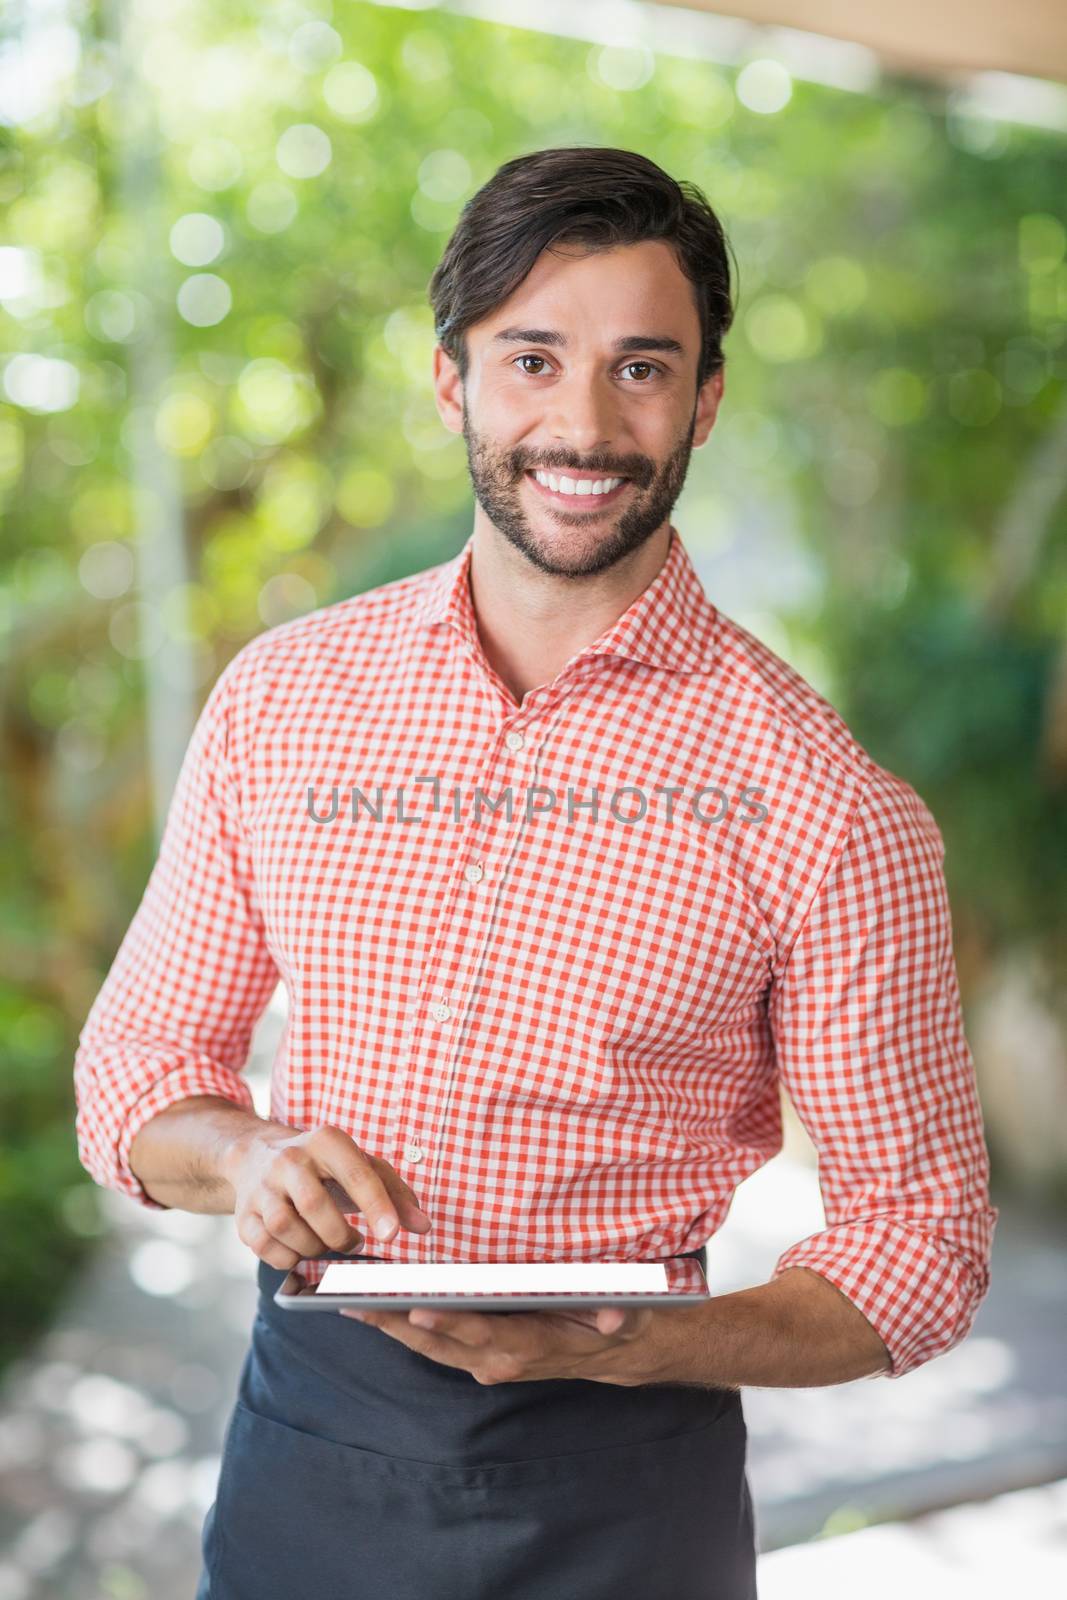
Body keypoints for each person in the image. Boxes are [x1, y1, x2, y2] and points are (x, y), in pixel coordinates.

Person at [73, 145, 998, 1600]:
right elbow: (136, 1066)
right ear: (453, 384)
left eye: (641, 368)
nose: (584, 423)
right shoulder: (285, 699)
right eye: (533, 359)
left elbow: (921, 1246)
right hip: (304, 1457)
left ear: (705, 400)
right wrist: (247, 1158)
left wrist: (642, 1346)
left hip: (625, 1501)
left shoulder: (831, 809)